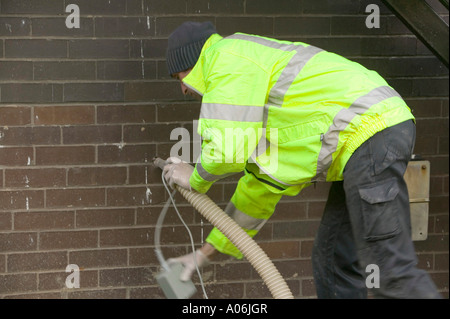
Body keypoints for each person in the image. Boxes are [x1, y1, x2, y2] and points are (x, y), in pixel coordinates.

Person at [162, 21, 441, 299]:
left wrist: (195, 178)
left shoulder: (226, 58)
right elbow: (257, 192)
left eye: (180, 77)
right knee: (333, 260)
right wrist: (203, 255)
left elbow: (226, 152)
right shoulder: (258, 106)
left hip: (371, 131)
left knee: (390, 270)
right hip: (364, 141)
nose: (184, 89)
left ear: (193, 60)